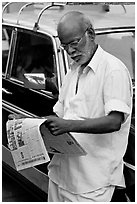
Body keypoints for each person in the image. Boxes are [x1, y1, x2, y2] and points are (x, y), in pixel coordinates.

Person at [44, 11, 133, 202]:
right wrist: (28, 125)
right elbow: (61, 117)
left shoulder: (113, 70)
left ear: (90, 34)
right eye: (65, 46)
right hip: (61, 176)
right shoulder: (73, 71)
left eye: (74, 43)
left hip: (93, 185)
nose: (70, 51)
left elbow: (114, 121)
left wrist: (68, 125)